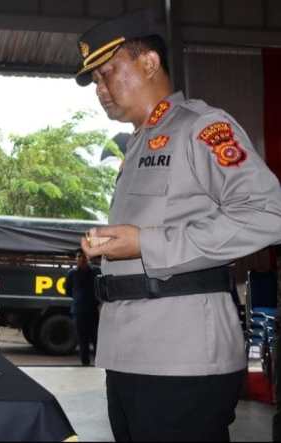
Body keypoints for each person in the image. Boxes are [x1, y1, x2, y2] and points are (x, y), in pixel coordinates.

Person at [76, 9, 281, 441]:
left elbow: (268, 213)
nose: (100, 89)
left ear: (149, 63)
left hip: (183, 357)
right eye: (94, 80)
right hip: (129, 352)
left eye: (107, 72)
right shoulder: (137, 145)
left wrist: (147, 244)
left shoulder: (202, 127)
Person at [65, 250, 100, 366]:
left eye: (84, 256)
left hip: (93, 311)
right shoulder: (71, 274)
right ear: (76, 259)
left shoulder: (96, 271)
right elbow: (68, 291)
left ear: (88, 258)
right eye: (79, 256)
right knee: (82, 338)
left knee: (96, 338)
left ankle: (98, 362)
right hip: (79, 311)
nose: (82, 258)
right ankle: (85, 363)